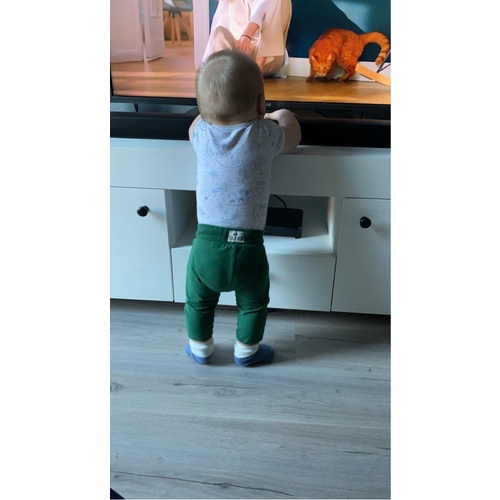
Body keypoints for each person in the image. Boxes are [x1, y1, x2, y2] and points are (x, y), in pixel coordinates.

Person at [185, 49, 301, 366]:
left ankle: (200, 348)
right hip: (249, 248)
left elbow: (195, 123)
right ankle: (247, 351)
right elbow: (294, 136)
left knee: (198, 301)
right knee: (253, 303)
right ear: (261, 104)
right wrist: (282, 114)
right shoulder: (264, 134)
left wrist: (207, 111)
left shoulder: (200, 134)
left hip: (206, 247)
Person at [202, 0, 292, 76]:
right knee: (219, 32)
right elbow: (219, 24)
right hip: (240, 53)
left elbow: (259, 12)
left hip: (267, 58)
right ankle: (220, 75)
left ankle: (255, 70)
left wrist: (247, 35)